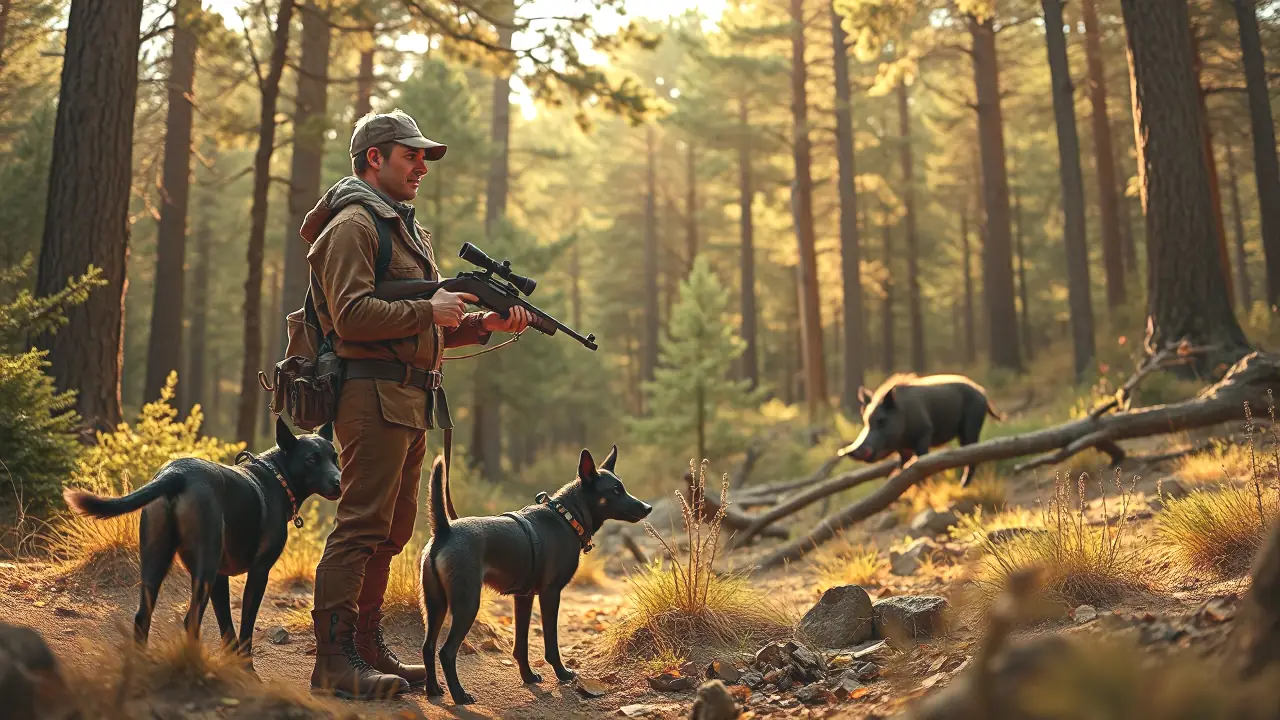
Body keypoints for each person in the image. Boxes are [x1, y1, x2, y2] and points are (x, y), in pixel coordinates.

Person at [296, 109, 532, 699]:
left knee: (392, 531)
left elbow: (423, 327)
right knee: (360, 527)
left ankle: (367, 647)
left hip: (409, 399)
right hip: (370, 396)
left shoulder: (403, 227)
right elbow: (351, 316)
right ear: (374, 158)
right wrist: (429, 309)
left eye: (424, 157)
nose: (422, 167)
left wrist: (479, 324)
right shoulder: (354, 224)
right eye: (411, 155)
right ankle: (334, 662)